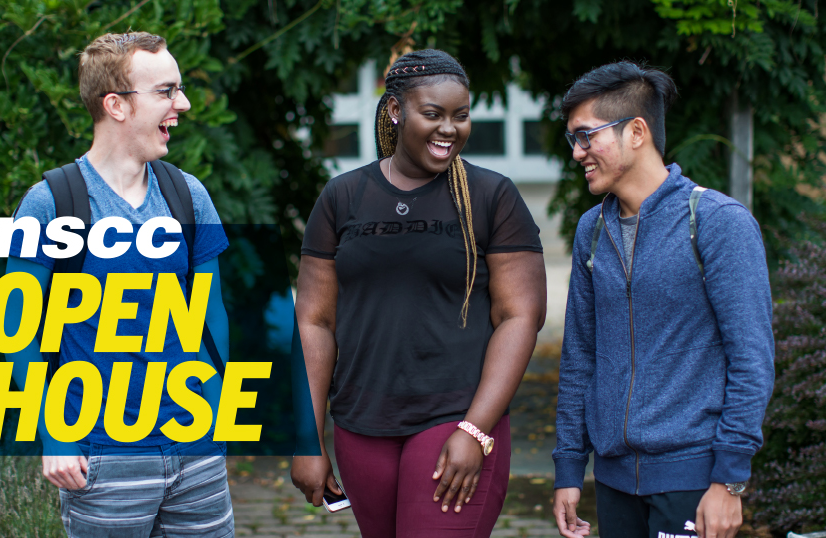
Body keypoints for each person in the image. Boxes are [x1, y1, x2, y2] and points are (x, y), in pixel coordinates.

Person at [290, 49, 547, 538]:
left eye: (461, 115)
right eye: (433, 114)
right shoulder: (342, 197)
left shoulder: (492, 196)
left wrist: (476, 429)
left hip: (456, 419)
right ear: (395, 111)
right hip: (361, 423)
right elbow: (314, 322)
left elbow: (521, 316)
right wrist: (308, 437)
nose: (449, 128)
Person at [2, 32, 234, 537]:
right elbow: (15, 328)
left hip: (195, 450)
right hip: (102, 459)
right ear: (116, 105)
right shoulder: (50, 203)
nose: (183, 104)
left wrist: (217, 408)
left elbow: (211, 316)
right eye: (166, 91)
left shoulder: (187, 195)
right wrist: (53, 433)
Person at [552, 62, 775, 538]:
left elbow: (752, 361)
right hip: (613, 481)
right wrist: (570, 469)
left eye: (587, 136)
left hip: (692, 479)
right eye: (572, 139)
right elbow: (579, 357)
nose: (577, 152)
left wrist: (729, 480)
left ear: (636, 131)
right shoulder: (592, 230)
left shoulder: (717, 222)